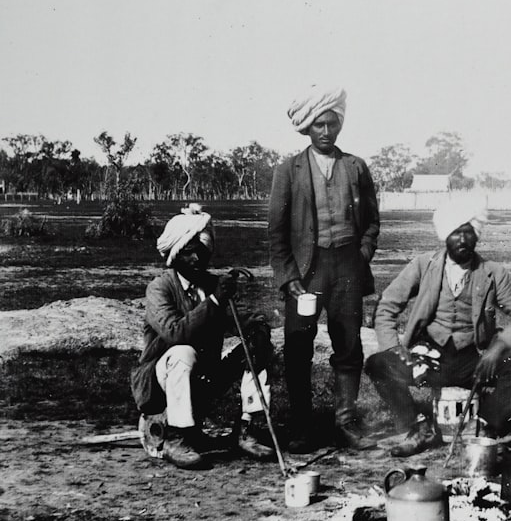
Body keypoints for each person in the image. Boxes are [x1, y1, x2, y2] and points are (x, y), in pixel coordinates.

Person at [364, 196, 511, 457]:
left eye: (468, 232)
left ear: (477, 236)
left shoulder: (493, 272)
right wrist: (394, 347)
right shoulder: (424, 265)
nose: (462, 240)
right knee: (378, 363)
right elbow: (387, 305)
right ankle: (419, 428)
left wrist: (497, 348)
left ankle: (484, 426)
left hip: (475, 361)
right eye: (455, 232)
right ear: (444, 235)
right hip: (428, 359)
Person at [268, 84, 380, 452]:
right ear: (307, 128)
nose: (327, 132)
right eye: (319, 125)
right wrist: (288, 278)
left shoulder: (355, 167)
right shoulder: (289, 170)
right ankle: (302, 426)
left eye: (332, 124)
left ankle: (345, 422)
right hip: (307, 269)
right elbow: (277, 231)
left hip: (347, 266)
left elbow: (372, 221)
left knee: (348, 346)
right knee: (298, 347)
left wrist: (362, 254)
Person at [131, 204, 274, 470]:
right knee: (183, 352)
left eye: (203, 251)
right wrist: (215, 301)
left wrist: (258, 327)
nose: (198, 258)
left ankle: (248, 427)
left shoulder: (210, 285)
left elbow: (236, 321)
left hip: (204, 377)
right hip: (160, 382)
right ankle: (179, 437)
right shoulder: (160, 288)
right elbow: (175, 332)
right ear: (174, 255)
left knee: (256, 346)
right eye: (189, 252)